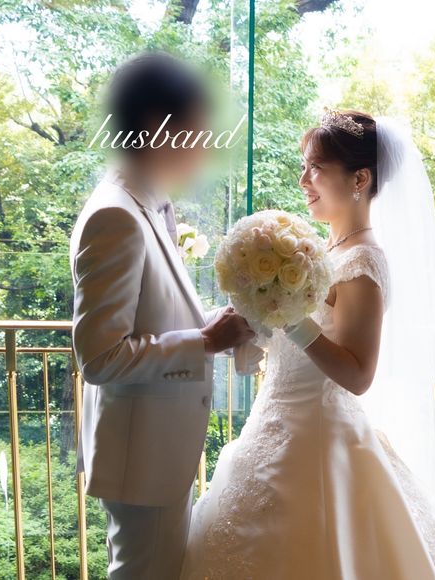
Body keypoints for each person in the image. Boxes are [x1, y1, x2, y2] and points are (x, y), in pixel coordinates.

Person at [180, 109, 435, 579]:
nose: (303, 180)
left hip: (317, 438)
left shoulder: (363, 261)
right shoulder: (321, 252)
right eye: (304, 167)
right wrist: (257, 319)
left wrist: (292, 319)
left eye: (316, 168)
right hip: (272, 423)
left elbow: (357, 374)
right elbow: (295, 346)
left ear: (359, 179)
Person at [70, 51, 256, 580]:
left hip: (155, 455)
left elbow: (152, 314)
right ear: (157, 127)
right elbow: (100, 357)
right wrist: (205, 341)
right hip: (142, 462)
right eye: (198, 128)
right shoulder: (117, 215)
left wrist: (215, 325)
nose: (205, 146)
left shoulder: (148, 204)